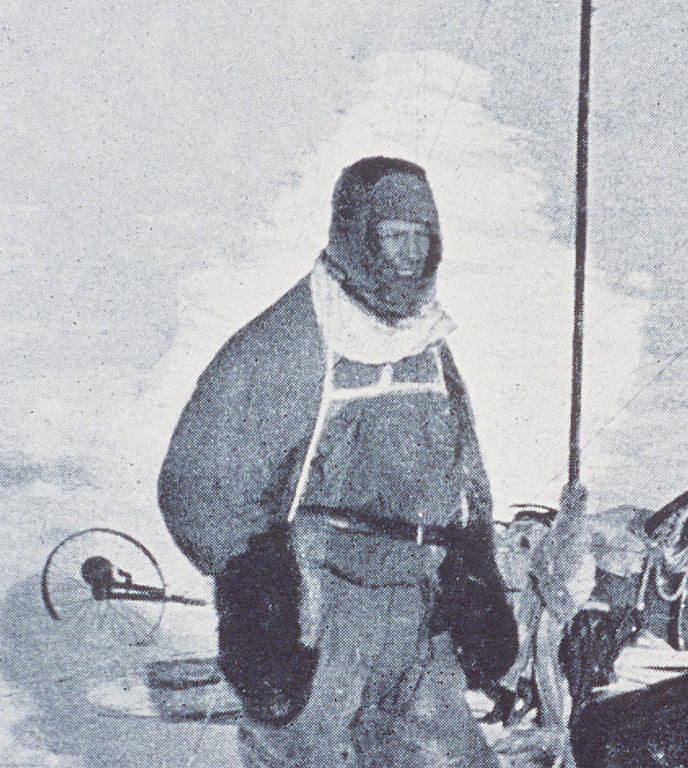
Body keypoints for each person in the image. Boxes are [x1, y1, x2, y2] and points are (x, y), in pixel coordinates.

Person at [159, 156, 517, 768]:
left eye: (421, 237)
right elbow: (200, 484)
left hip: (415, 603)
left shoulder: (426, 344)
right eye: (394, 235)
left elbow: (462, 469)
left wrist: (472, 569)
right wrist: (257, 596)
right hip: (321, 608)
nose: (410, 254)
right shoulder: (291, 341)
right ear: (356, 234)